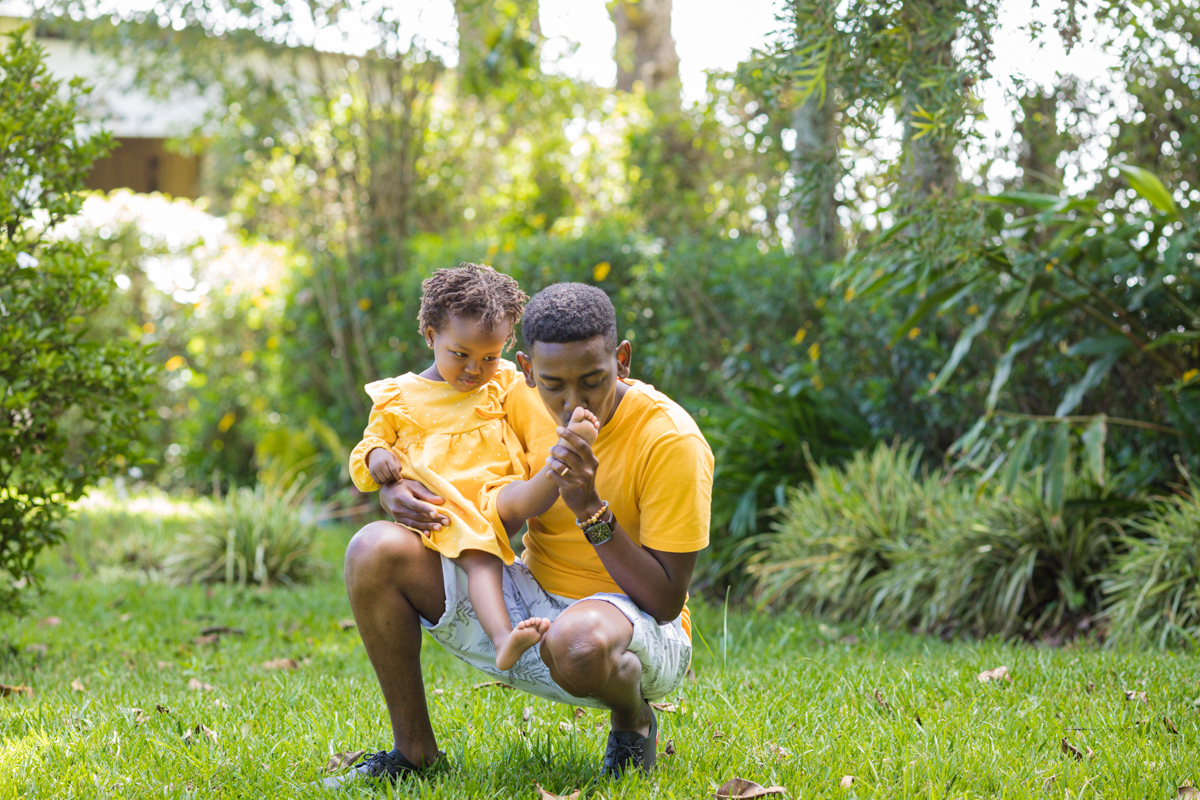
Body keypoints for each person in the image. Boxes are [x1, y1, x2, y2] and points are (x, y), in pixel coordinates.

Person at [329, 282, 713, 788]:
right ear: (527, 369)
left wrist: (590, 510)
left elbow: (665, 602)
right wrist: (394, 486)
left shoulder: (670, 440)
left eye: (593, 380)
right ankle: (414, 752)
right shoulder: (511, 395)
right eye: (553, 384)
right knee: (372, 549)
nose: (573, 402)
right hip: (531, 602)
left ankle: (632, 719)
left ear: (622, 360)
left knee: (578, 641)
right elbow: (452, 458)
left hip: (635, 627)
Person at [348, 264, 601, 672]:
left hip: (494, 490)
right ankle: (504, 638)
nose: (474, 369)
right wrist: (379, 460)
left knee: (523, 499)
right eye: (461, 355)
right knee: (480, 558)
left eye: (489, 356)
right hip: (448, 503)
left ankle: (562, 460)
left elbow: (538, 396)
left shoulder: (501, 381)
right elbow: (372, 441)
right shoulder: (400, 395)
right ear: (431, 336)